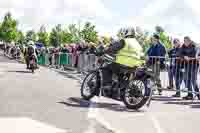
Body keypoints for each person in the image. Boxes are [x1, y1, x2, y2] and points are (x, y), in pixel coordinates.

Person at [101, 28, 144, 92]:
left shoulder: (125, 41)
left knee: (106, 67)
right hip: (134, 66)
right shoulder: (138, 44)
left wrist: (104, 50)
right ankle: (120, 89)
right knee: (120, 75)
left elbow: (113, 48)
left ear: (127, 33)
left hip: (123, 64)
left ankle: (107, 85)